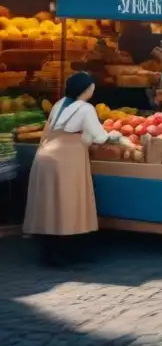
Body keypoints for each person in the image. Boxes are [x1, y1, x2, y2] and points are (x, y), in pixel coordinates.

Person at [23, 72, 122, 266]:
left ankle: (48, 252)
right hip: (66, 160)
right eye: (92, 86)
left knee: (49, 206)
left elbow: (49, 130)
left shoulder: (59, 103)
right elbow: (100, 137)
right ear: (86, 89)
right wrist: (119, 137)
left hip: (44, 157)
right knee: (68, 206)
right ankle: (67, 254)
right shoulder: (86, 109)